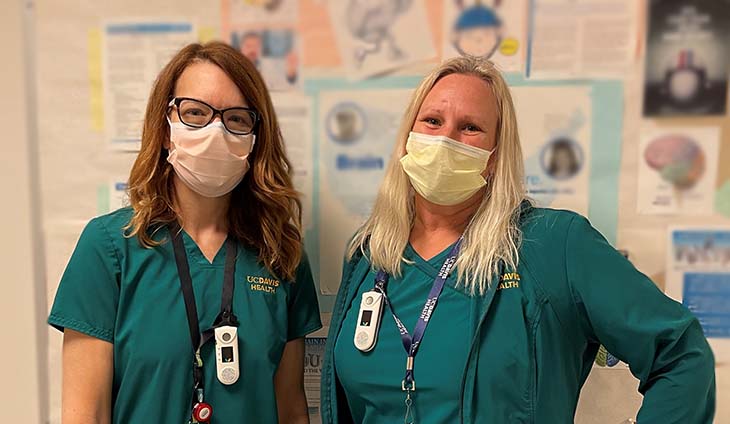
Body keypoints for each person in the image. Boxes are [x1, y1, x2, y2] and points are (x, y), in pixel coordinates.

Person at [320, 56, 715, 423]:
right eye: (432, 121)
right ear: (408, 135)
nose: (445, 139)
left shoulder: (554, 245)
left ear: (494, 155)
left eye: (470, 127)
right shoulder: (369, 252)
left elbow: (680, 354)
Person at [48, 41, 321, 423]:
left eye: (237, 119)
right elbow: (85, 415)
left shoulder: (281, 255)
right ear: (165, 129)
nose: (215, 131)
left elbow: (290, 411)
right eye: (195, 113)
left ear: (256, 139)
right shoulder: (109, 249)